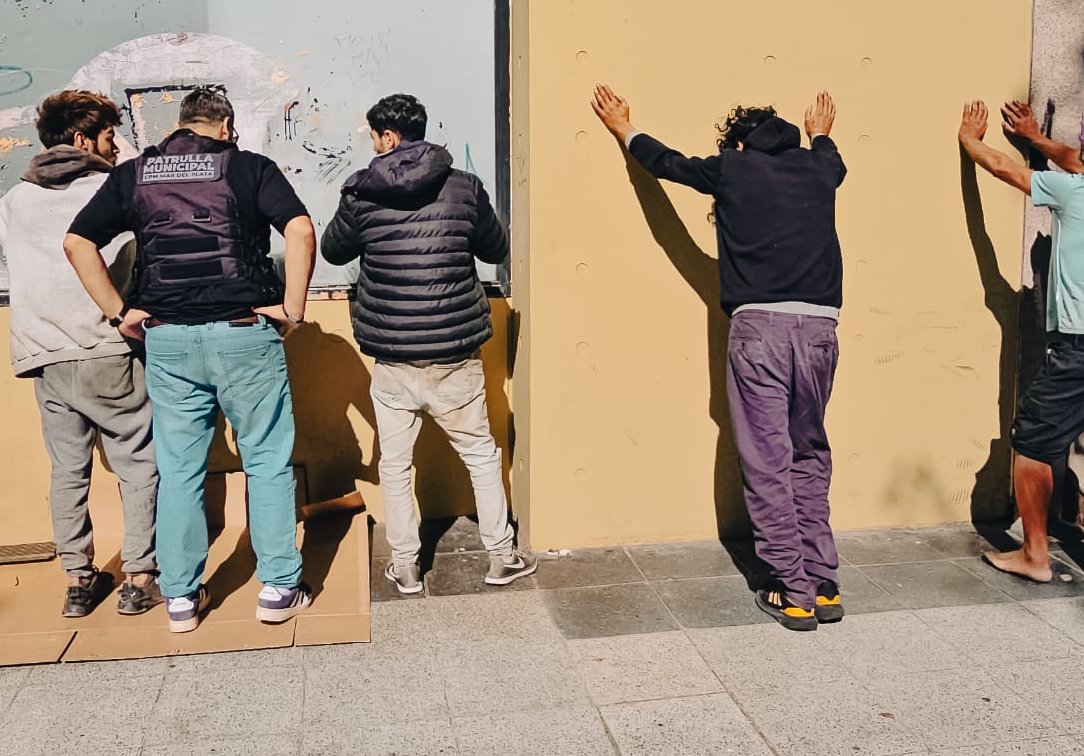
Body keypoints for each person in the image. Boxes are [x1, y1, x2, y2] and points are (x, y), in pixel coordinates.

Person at [590, 84, 847, 632]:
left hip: (761, 332)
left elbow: (667, 163)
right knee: (809, 453)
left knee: (768, 460)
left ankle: (792, 591)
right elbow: (833, 160)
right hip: (821, 329)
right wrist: (821, 134)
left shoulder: (733, 167)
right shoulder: (819, 167)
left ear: (738, 144)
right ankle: (824, 585)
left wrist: (624, 128)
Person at [63, 87, 317, 633]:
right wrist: (292, 309)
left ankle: (180, 597)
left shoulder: (135, 174)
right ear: (224, 127)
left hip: (169, 340)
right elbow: (299, 228)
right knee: (266, 461)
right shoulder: (248, 167)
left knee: (179, 469)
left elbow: (77, 242)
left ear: (180, 125)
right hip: (244, 333)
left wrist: (118, 313)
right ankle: (278, 588)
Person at [321, 93, 532, 594]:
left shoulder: (361, 190)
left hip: (393, 357)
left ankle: (407, 566)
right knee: (480, 454)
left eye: (374, 137)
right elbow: (495, 248)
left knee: (395, 466)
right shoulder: (464, 186)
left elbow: (332, 251)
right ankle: (501, 557)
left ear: (389, 136)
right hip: (454, 353)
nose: (372, 145)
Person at [959, 99, 1084, 600]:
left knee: (1032, 442)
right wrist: (1036, 138)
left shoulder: (1074, 192)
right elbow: (1079, 161)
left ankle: (1034, 556)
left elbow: (1005, 169)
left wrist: (970, 141)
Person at [0, 89, 161, 618]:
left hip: (44, 354)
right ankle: (139, 577)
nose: (116, 145)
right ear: (84, 139)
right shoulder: (114, 190)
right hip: (107, 345)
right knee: (138, 461)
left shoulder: (13, 202)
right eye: (109, 136)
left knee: (67, 469)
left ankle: (78, 580)